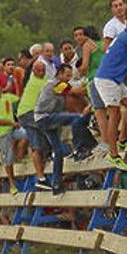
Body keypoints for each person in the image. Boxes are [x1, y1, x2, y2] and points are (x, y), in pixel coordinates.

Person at [94, 10, 127, 171]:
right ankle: (113, 154)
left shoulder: (126, 37)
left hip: (115, 79)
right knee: (114, 114)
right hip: (107, 78)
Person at [34, 64, 96, 194]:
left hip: (41, 119)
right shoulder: (56, 84)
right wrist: (88, 81)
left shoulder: (56, 84)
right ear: (59, 74)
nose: (69, 78)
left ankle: (57, 184)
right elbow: (78, 92)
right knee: (77, 119)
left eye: (70, 76)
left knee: (58, 151)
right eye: (67, 75)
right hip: (46, 117)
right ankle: (79, 147)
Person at [0, 81, 24, 194]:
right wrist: (11, 123)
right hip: (2, 133)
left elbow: (20, 100)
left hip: (13, 129)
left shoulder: (7, 96)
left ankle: (19, 155)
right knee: (8, 158)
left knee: (28, 134)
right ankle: (12, 182)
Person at [16, 60, 50, 184]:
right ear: (33, 71)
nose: (41, 73)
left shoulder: (45, 79)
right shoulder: (37, 82)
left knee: (37, 145)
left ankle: (41, 177)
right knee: (50, 129)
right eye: (38, 70)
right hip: (28, 113)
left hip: (28, 113)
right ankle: (52, 158)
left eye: (43, 70)